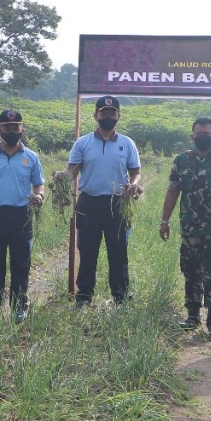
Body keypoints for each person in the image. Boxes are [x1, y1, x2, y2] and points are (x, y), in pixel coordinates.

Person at [160, 117, 211, 335]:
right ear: (192, 136)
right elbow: (172, 191)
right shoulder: (182, 161)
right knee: (191, 271)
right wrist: (164, 221)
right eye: (198, 134)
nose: (202, 137)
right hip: (190, 227)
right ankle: (192, 316)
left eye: (207, 134)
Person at [67, 96, 142, 308]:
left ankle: (120, 297)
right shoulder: (83, 143)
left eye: (112, 113)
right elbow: (72, 171)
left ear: (118, 116)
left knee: (118, 253)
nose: (107, 116)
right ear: (96, 116)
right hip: (88, 203)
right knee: (88, 251)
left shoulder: (127, 143)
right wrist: (61, 179)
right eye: (103, 113)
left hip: (118, 204)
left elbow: (135, 172)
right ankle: (84, 297)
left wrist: (133, 185)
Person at [0, 110, 45, 322]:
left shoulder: (31, 157)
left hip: (20, 215)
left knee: (20, 264)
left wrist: (39, 196)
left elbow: (38, 183)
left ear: (22, 129)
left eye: (16, 127)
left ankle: (19, 308)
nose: (12, 131)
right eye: (7, 127)